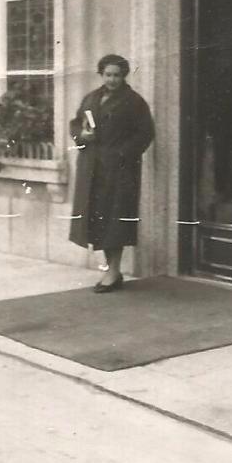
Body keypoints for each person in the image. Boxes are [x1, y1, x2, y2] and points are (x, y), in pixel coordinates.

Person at [69, 54, 154, 293]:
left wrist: (121, 155)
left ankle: (114, 273)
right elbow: (75, 123)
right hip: (92, 169)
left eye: (117, 75)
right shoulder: (91, 98)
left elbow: (145, 134)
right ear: (101, 74)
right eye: (108, 74)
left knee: (114, 220)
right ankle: (111, 271)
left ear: (124, 75)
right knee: (98, 221)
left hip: (119, 172)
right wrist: (81, 136)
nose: (112, 79)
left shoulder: (134, 102)